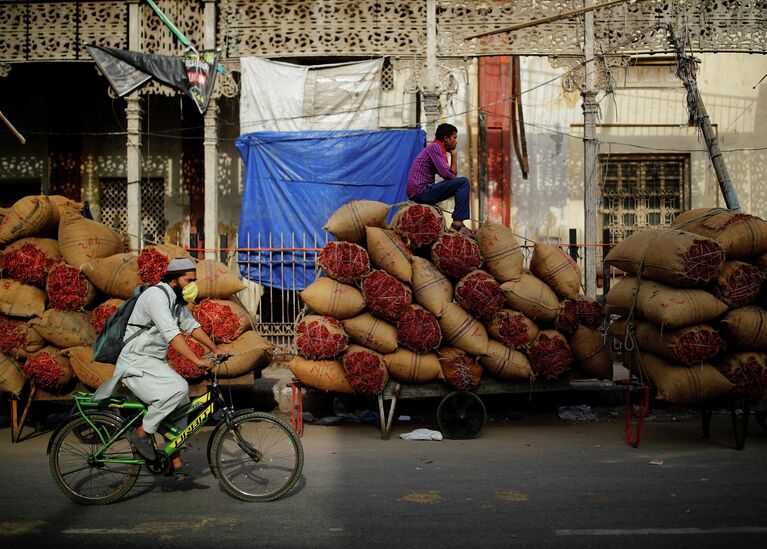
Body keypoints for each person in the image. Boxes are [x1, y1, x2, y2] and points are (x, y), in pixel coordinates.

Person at [94, 258, 220, 477]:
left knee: (182, 405)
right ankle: (142, 432)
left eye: (195, 280)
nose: (193, 285)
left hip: (152, 363)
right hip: (135, 361)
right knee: (178, 388)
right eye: (189, 280)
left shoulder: (174, 301)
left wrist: (214, 348)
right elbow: (172, 334)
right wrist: (197, 360)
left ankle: (175, 460)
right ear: (173, 280)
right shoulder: (156, 296)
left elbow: (191, 326)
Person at [407, 123, 474, 236]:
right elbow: (447, 175)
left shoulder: (437, 149)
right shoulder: (435, 148)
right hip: (421, 191)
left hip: (422, 191)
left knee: (461, 183)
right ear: (446, 138)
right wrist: (453, 161)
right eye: (454, 138)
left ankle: (458, 223)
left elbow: (451, 175)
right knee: (464, 182)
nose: (456, 141)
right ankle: (457, 224)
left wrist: (454, 155)